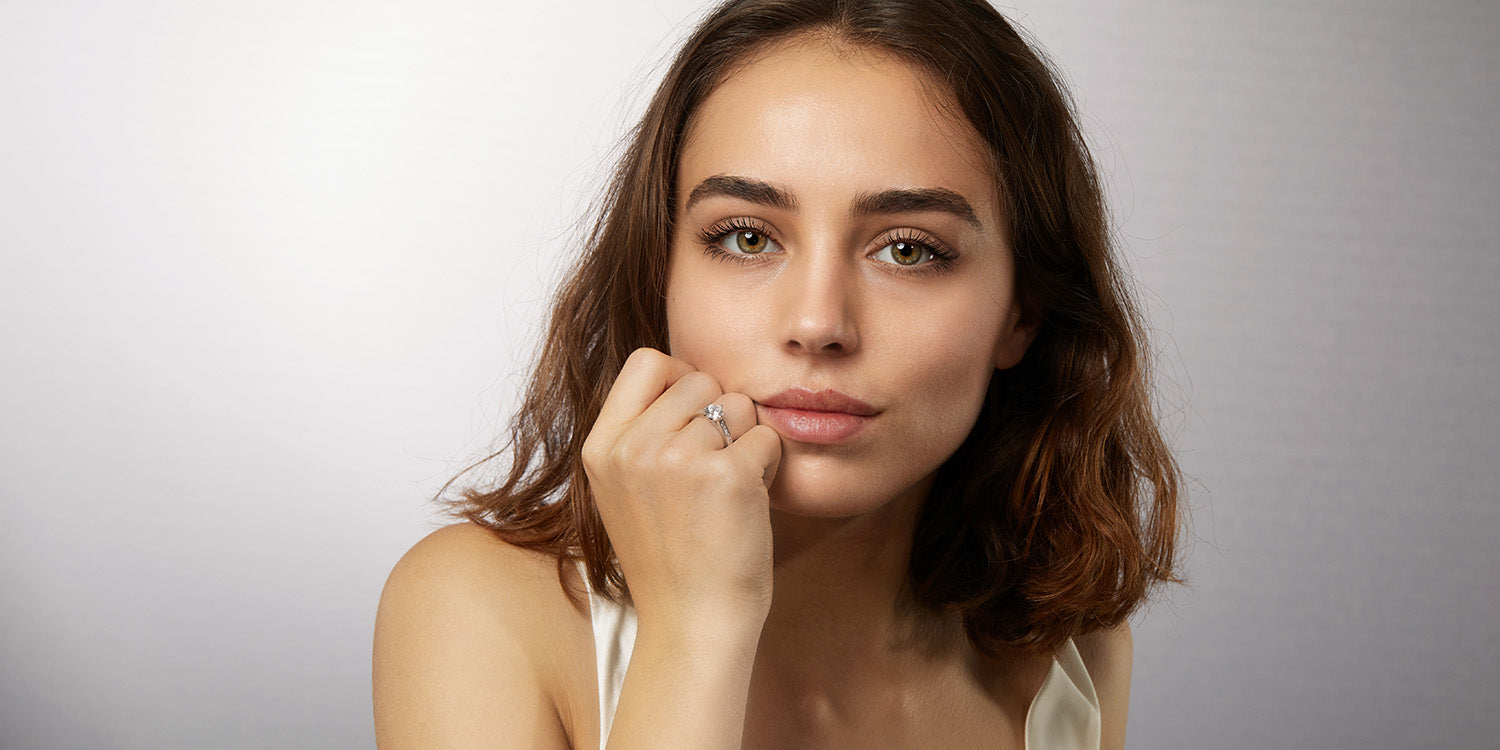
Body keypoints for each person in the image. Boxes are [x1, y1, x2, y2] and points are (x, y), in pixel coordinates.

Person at [373, 0, 1184, 747]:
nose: (817, 325)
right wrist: (697, 630)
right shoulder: (477, 610)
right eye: (748, 238)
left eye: (908, 249)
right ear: (661, 272)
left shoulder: (1075, 656)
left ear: (1023, 313)